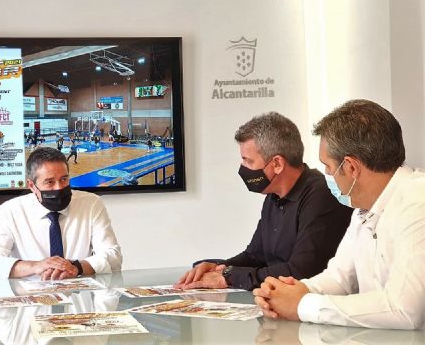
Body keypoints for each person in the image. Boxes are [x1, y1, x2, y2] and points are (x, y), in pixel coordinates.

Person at [254, 100, 425, 330]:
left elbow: (403, 309)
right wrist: (293, 291)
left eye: (328, 167)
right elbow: (339, 278)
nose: (326, 174)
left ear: (351, 167)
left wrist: (302, 305)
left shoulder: (417, 201)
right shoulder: (363, 208)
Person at [174, 112, 352, 291]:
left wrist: (228, 277)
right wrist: (218, 267)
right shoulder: (273, 196)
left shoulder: (321, 195)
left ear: (277, 164)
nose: (243, 168)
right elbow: (255, 256)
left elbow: (301, 270)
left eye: (248, 161)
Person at [0, 147, 122, 280]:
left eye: (64, 179)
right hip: (31, 300)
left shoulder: (91, 204)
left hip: (79, 298)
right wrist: (36, 266)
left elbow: (113, 256)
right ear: (32, 186)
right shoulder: (9, 211)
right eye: (49, 182)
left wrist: (76, 267)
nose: (59, 188)